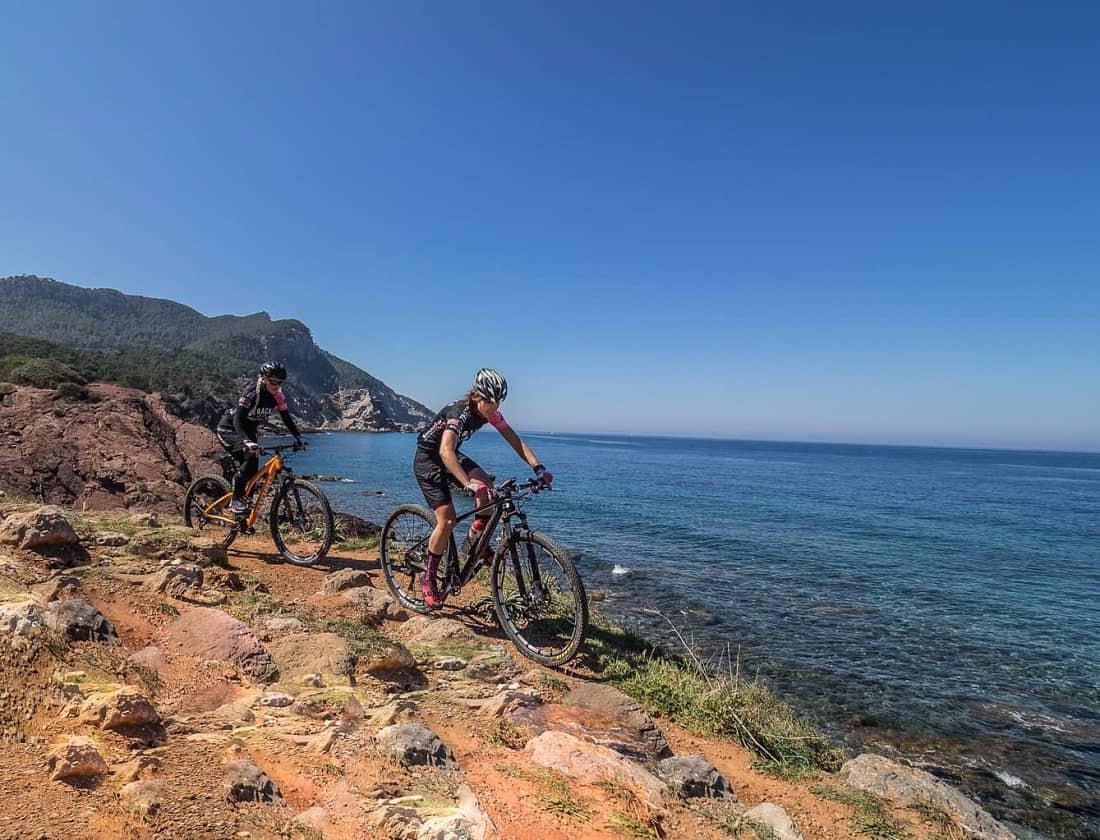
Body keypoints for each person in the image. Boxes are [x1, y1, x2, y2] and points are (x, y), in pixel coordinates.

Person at [414, 368, 553, 608]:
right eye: (490, 401)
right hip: (429, 460)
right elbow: (445, 451)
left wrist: (538, 468)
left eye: (498, 402)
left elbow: (515, 440)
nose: (494, 407)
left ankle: (474, 541)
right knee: (447, 521)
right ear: (477, 396)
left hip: (450, 457)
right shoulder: (460, 413)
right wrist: (467, 484)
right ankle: (429, 578)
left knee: (488, 488)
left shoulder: (492, 414)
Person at [216, 361, 307, 513]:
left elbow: (286, 418)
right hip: (230, 429)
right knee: (250, 459)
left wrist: (298, 437)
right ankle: (236, 499)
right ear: (264, 378)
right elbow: (238, 419)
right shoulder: (252, 392)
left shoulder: (278, 395)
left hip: (249, 431)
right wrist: (246, 441)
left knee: (254, 469)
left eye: (280, 382)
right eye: (273, 381)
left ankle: (245, 506)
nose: (276, 385)